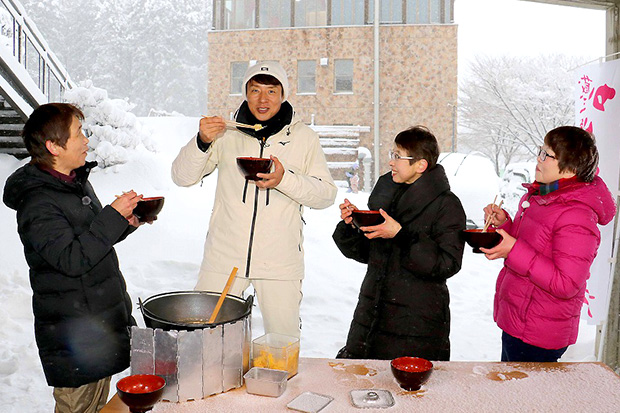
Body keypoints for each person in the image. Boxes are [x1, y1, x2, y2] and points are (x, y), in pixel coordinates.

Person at [171, 61, 337, 339]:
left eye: (271, 91)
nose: (263, 99)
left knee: (283, 344)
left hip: (280, 262)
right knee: (203, 339)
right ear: (245, 93)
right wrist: (201, 141)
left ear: (283, 95)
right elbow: (181, 176)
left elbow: (325, 195)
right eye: (255, 90)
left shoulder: (304, 138)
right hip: (224, 257)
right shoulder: (225, 133)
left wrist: (285, 180)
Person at [2, 103, 142, 413]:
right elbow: (71, 259)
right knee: (77, 408)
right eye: (78, 133)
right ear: (54, 146)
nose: (86, 140)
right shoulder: (37, 202)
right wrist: (111, 217)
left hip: (97, 324)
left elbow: (91, 239)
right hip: (73, 334)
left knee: (100, 404)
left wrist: (125, 223)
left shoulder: (72, 180)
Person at [480, 126, 616, 362]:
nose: (538, 159)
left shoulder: (577, 215)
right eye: (540, 151)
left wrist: (513, 249)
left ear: (571, 169)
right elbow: (537, 246)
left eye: (547, 155)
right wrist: (507, 224)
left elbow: (566, 283)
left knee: (524, 397)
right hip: (520, 320)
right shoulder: (543, 196)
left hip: (540, 332)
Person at [332, 125, 466, 360]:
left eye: (398, 156)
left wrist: (400, 235)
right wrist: (353, 224)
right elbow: (366, 252)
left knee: (409, 392)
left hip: (416, 324)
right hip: (370, 317)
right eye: (391, 155)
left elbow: (447, 264)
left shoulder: (447, 205)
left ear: (421, 165)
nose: (391, 162)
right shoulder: (389, 197)